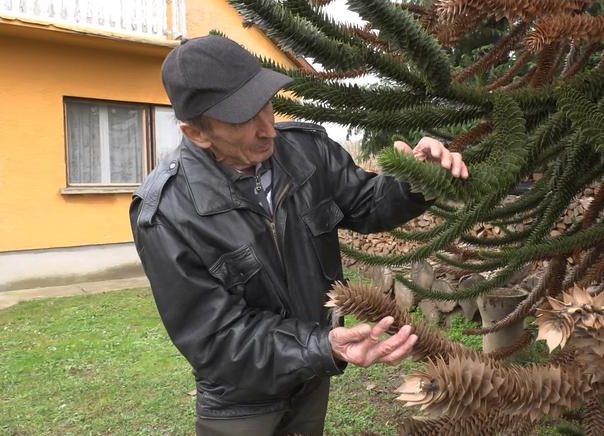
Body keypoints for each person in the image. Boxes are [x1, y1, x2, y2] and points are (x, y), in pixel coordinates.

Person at [129, 35, 469, 436]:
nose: (267, 129)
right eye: (243, 119)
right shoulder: (166, 213)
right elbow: (216, 338)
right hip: (241, 400)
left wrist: (417, 178)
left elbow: (366, 203)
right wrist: (322, 345)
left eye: (266, 106)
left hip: (312, 376)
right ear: (196, 133)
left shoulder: (307, 151)